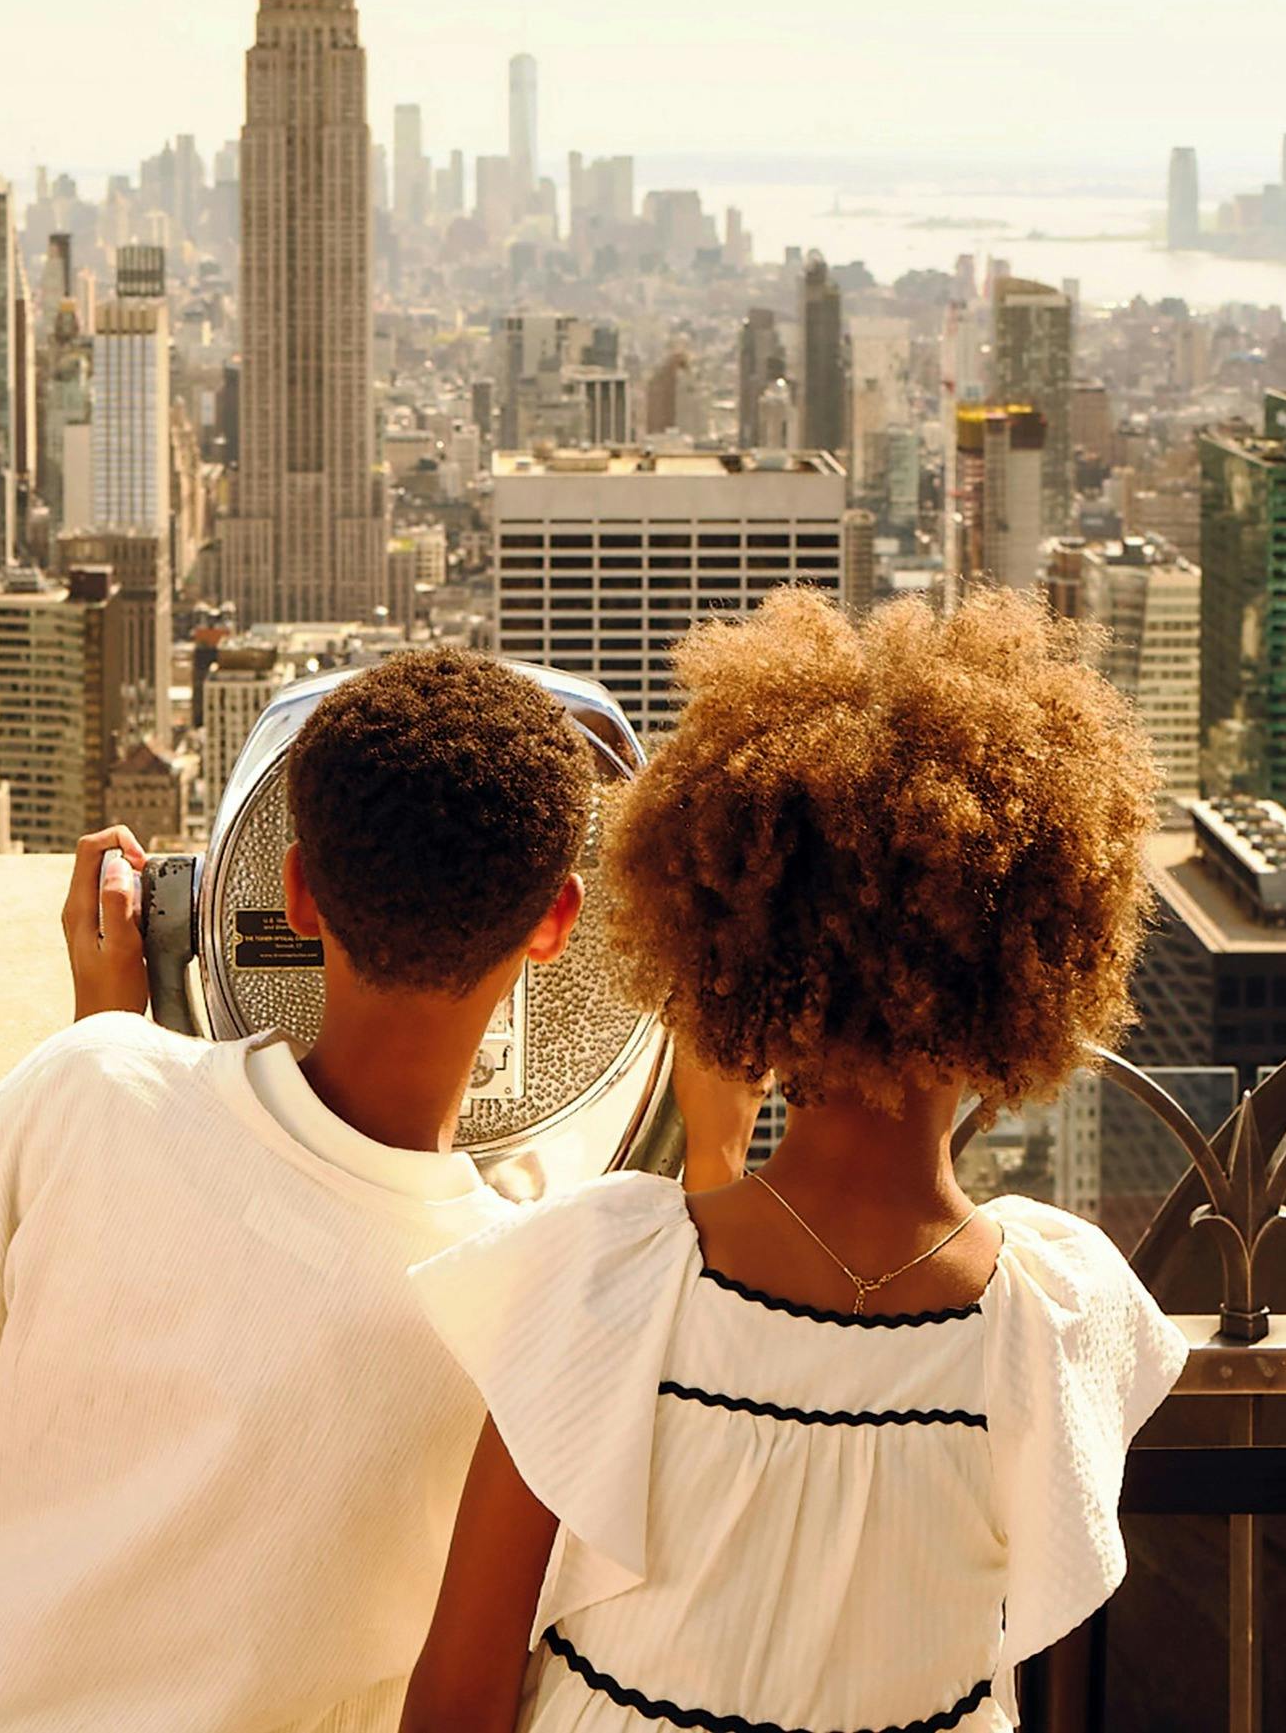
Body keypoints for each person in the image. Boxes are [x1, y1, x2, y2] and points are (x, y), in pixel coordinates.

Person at [0, 646, 716, 1733]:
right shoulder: (531, 1311)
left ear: (295, 889)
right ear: (558, 923)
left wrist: (108, 1044)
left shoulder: (90, 1088)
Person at [399, 587, 1189, 1733]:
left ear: (732, 948)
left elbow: (458, 1692)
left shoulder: (602, 1277)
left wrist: (714, 1146)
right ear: (1037, 959)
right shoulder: (1055, 1323)